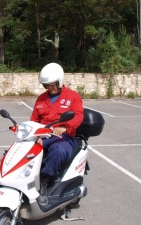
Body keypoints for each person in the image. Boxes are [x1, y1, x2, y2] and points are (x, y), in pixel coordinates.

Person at [30, 62, 84, 205]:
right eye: (47, 85)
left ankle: (45, 182)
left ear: (60, 81)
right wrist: (35, 136)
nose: (50, 87)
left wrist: (65, 128)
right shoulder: (41, 99)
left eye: (53, 84)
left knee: (58, 150)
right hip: (43, 134)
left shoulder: (73, 97)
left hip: (64, 136)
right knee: (22, 149)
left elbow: (78, 116)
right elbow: (34, 119)